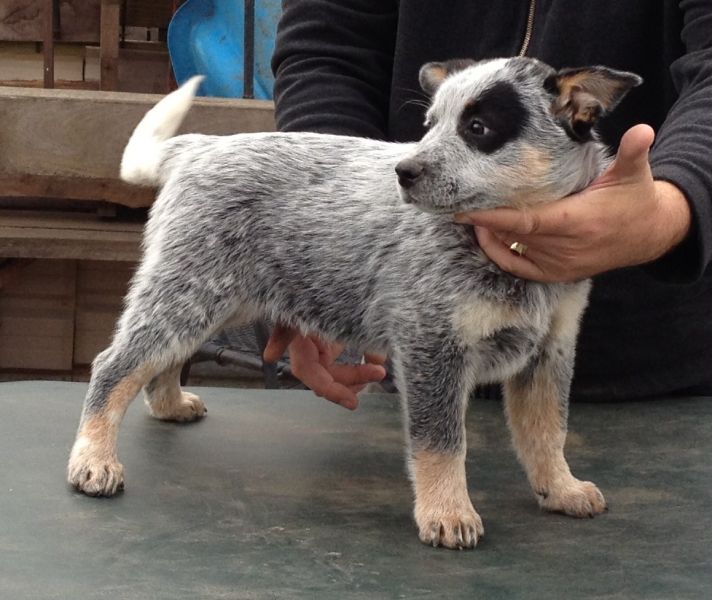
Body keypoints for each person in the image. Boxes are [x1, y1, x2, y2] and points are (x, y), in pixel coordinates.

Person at [263, 0, 712, 409]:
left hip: (670, 373)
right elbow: (330, 43)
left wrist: (674, 204)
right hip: (415, 337)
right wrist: (331, 236)